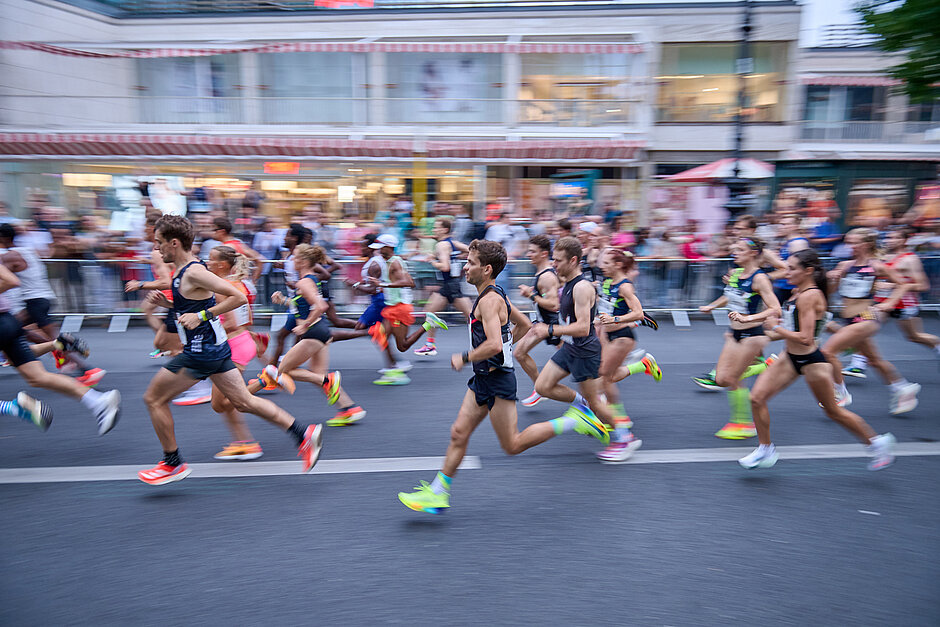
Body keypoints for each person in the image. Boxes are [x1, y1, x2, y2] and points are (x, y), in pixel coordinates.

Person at [397, 240, 610, 514]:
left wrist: (465, 357)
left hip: (498, 381)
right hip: (483, 378)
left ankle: (572, 420)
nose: (465, 267)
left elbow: (495, 345)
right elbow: (523, 326)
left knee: (512, 444)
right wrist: (505, 346)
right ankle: (438, 493)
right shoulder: (494, 295)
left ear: (486, 269)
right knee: (458, 433)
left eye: (470, 263)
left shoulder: (490, 300)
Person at [137, 215, 323, 485]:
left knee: (153, 399)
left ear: (174, 243)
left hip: (201, 351)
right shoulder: (183, 271)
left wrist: (201, 317)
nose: (156, 249)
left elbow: (236, 298)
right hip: (214, 348)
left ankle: (172, 463)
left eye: (159, 243)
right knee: (243, 402)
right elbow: (191, 306)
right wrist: (168, 306)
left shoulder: (194, 271)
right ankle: (303, 434)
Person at [741, 249, 895, 471]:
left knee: (833, 412)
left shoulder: (810, 295)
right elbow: (788, 329)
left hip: (812, 360)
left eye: (792, 268)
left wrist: (774, 327)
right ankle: (765, 449)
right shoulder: (798, 292)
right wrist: (754, 329)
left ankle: (876, 443)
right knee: (756, 399)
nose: (787, 271)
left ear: (809, 271)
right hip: (789, 357)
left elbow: (805, 338)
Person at [526, 236, 642, 463]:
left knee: (597, 405)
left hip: (584, 351)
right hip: (569, 348)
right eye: (553, 259)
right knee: (542, 386)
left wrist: (549, 330)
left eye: (558, 261)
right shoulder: (568, 283)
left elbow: (581, 328)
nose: (554, 264)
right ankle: (584, 405)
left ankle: (625, 437)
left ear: (573, 260)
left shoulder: (581, 287)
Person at [0, 261, 120, 435]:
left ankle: (14, 408)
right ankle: (98, 400)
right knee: (36, 376)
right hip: (8, 320)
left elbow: (11, 280)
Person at [263, 244, 366, 426]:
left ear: (302, 261)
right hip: (321, 330)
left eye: (294, 257)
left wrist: (304, 326)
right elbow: (304, 305)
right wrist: (285, 301)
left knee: (282, 371)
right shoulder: (309, 279)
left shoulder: (304, 282)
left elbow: (321, 306)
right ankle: (349, 409)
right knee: (318, 374)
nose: (292, 260)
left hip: (313, 332)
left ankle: (328, 381)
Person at [822, 228, 920, 415]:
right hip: (849, 319)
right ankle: (902, 387)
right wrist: (833, 278)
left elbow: (904, 284)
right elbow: (833, 290)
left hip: (866, 317)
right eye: (848, 242)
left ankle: (840, 393)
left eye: (853, 242)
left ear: (865, 244)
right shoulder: (844, 265)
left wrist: (890, 303)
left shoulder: (877, 266)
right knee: (874, 360)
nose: (849, 246)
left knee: (828, 352)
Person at [0, 223, 105, 386]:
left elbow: (5, 277)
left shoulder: (10, 257)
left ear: (3, 238)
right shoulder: (26, 250)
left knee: (20, 331)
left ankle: (86, 369)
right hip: (42, 298)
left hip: (33, 301)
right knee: (18, 330)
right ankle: (64, 356)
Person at [698, 238, 781, 439]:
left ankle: (743, 423)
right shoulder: (735, 273)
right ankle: (767, 365)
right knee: (721, 379)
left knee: (732, 379)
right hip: (735, 332)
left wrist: (748, 318)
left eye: (740, 250)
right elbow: (730, 295)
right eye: (733, 249)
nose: (734, 253)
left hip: (752, 334)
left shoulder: (760, 278)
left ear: (753, 253)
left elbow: (775, 308)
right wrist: (712, 306)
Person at [844, 226, 940, 377]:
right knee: (861, 327)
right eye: (888, 237)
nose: (890, 241)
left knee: (914, 336)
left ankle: (938, 345)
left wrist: (892, 285)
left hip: (904, 304)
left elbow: (923, 285)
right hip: (882, 304)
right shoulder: (881, 258)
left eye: (895, 237)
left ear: (904, 240)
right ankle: (857, 364)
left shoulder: (910, 259)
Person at [594, 247, 662, 445]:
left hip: (623, 337)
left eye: (606, 263)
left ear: (618, 265)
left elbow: (639, 313)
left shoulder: (625, 286)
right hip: (608, 334)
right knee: (609, 376)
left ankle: (619, 418)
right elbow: (606, 306)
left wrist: (615, 318)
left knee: (605, 377)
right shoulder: (607, 283)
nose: (601, 266)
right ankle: (643, 365)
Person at [206, 245, 267, 461]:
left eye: (210, 259)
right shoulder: (236, 284)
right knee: (225, 404)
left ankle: (264, 381)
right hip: (241, 342)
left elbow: (230, 323)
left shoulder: (221, 287)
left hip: (233, 346)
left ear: (222, 264)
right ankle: (243, 442)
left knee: (223, 403)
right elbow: (245, 317)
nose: (206, 262)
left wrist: (203, 323)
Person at [365, 234, 448, 383]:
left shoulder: (395, 263)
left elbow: (409, 282)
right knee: (380, 336)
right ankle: (393, 371)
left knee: (402, 346)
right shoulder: (390, 261)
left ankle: (428, 324)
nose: (377, 251)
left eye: (380, 248)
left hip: (399, 308)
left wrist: (382, 285)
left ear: (388, 248)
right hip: (392, 307)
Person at [413, 217, 472, 357]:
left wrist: (433, 261)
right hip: (450, 284)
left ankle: (489, 342)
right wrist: (457, 257)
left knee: (472, 316)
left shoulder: (442, 245)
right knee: (430, 312)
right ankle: (430, 345)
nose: (434, 230)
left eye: (436, 227)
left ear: (445, 229)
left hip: (450, 285)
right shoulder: (452, 242)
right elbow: (471, 250)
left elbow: (445, 267)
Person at [514, 235, 561, 406]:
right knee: (519, 353)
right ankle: (540, 389)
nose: (528, 254)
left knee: (578, 365)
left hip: (554, 325)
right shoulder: (542, 274)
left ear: (543, 254)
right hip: (541, 323)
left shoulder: (546, 277)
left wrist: (531, 294)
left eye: (532, 251)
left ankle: (599, 394)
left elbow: (554, 304)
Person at [771, 215, 810, 305]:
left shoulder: (798, 243)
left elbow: (800, 266)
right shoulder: (787, 242)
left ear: (795, 226)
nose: (781, 227)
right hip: (782, 285)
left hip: (790, 287)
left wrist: (799, 286)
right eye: (781, 224)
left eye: (785, 224)